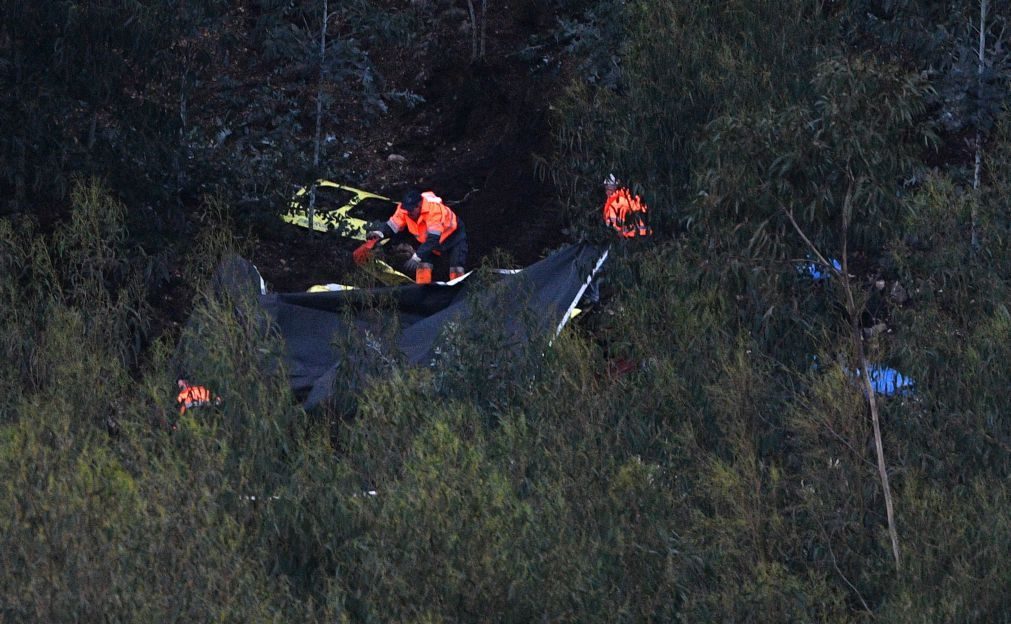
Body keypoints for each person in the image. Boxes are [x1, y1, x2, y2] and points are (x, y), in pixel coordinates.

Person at [368, 189, 468, 282]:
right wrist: (379, 233)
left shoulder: (434, 211)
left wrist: (416, 257)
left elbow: (433, 240)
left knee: (456, 269)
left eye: (411, 210)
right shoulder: (404, 210)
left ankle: (459, 292)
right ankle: (422, 290)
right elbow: (392, 226)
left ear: (419, 205)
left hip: (454, 237)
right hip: (430, 241)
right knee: (423, 267)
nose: (407, 212)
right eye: (406, 209)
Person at [602, 173, 651, 238]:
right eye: (606, 188)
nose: (607, 191)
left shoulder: (621, 199)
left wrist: (623, 231)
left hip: (635, 237)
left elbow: (637, 209)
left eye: (609, 187)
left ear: (615, 186)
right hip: (632, 237)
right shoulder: (611, 201)